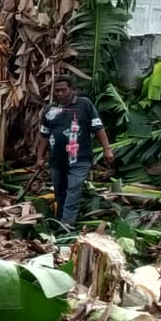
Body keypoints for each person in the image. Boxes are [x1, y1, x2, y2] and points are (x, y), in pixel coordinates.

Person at [38, 76, 113, 229]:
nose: (60, 94)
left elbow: (98, 127)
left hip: (80, 158)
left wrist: (107, 149)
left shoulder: (84, 105)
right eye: (57, 91)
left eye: (63, 90)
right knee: (60, 189)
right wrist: (39, 157)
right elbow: (44, 135)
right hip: (57, 159)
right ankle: (61, 220)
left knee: (74, 187)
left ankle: (67, 223)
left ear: (72, 89)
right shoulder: (50, 110)